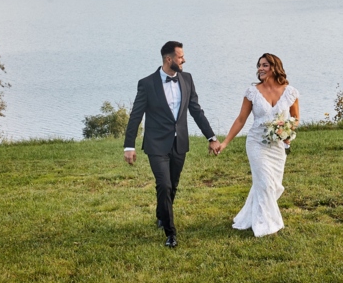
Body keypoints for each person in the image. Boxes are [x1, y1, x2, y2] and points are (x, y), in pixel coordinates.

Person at [123, 41, 220, 248]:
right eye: (180, 57)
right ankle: (171, 234)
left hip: (179, 142)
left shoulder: (187, 79)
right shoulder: (147, 84)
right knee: (164, 185)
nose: (184, 60)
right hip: (156, 144)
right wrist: (129, 146)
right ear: (169, 59)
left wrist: (211, 137)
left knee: (172, 185)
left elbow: (196, 110)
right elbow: (136, 116)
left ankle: (162, 214)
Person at [217, 53, 300, 237]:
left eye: (265, 65)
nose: (260, 69)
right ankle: (267, 225)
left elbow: (295, 118)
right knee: (265, 183)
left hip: (277, 146)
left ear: (275, 67)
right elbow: (241, 119)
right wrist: (225, 143)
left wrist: (287, 134)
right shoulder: (252, 92)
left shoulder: (290, 92)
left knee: (274, 185)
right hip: (256, 143)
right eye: (259, 65)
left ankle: (249, 216)